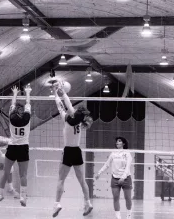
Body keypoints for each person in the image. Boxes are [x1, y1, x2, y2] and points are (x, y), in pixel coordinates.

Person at [51, 82, 93, 217]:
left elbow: (62, 106)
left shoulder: (67, 119)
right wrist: (64, 93)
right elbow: (68, 105)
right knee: (82, 180)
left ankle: (57, 203)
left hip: (68, 152)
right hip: (77, 151)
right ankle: (88, 202)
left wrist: (56, 93)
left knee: (61, 179)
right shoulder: (80, 122)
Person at [0, 84, 32, 206]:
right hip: (23, 148)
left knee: (6, 172)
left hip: (12, 147)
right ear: (23, 111)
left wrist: (15, 94)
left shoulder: (11, 117)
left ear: (14, 111)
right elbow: (27, 103)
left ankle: (0, 193)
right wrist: (27, 92)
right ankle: (23, 197)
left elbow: (13, 105)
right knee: (23, 175)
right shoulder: (27, 117)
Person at [95, 137, 133, 219]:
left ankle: (129, 216)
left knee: (128, 198)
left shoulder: (127, 154)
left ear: (123, 143)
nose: (117, 142)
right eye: (116, 141)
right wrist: (99, 172)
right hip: (115, 179)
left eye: (119, 141)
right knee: (116, 198)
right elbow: (107, 164)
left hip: (126, 178)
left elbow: (127, 167)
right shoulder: (113, 153)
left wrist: (123, 177)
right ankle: (118, 217)